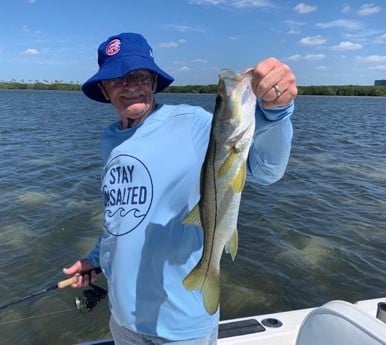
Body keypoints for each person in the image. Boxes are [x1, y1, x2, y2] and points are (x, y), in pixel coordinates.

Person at [63, 32, 297, 345]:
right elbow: (120, 217)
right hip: (122, 320)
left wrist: (276, 112)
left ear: (154, 83)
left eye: (139, 76)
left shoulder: (193, 124)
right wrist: (96, 258)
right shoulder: (110, 140)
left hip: (181, 327)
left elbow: (267, 170)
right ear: (105, 90)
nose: (130, 85)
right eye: (117, 79)